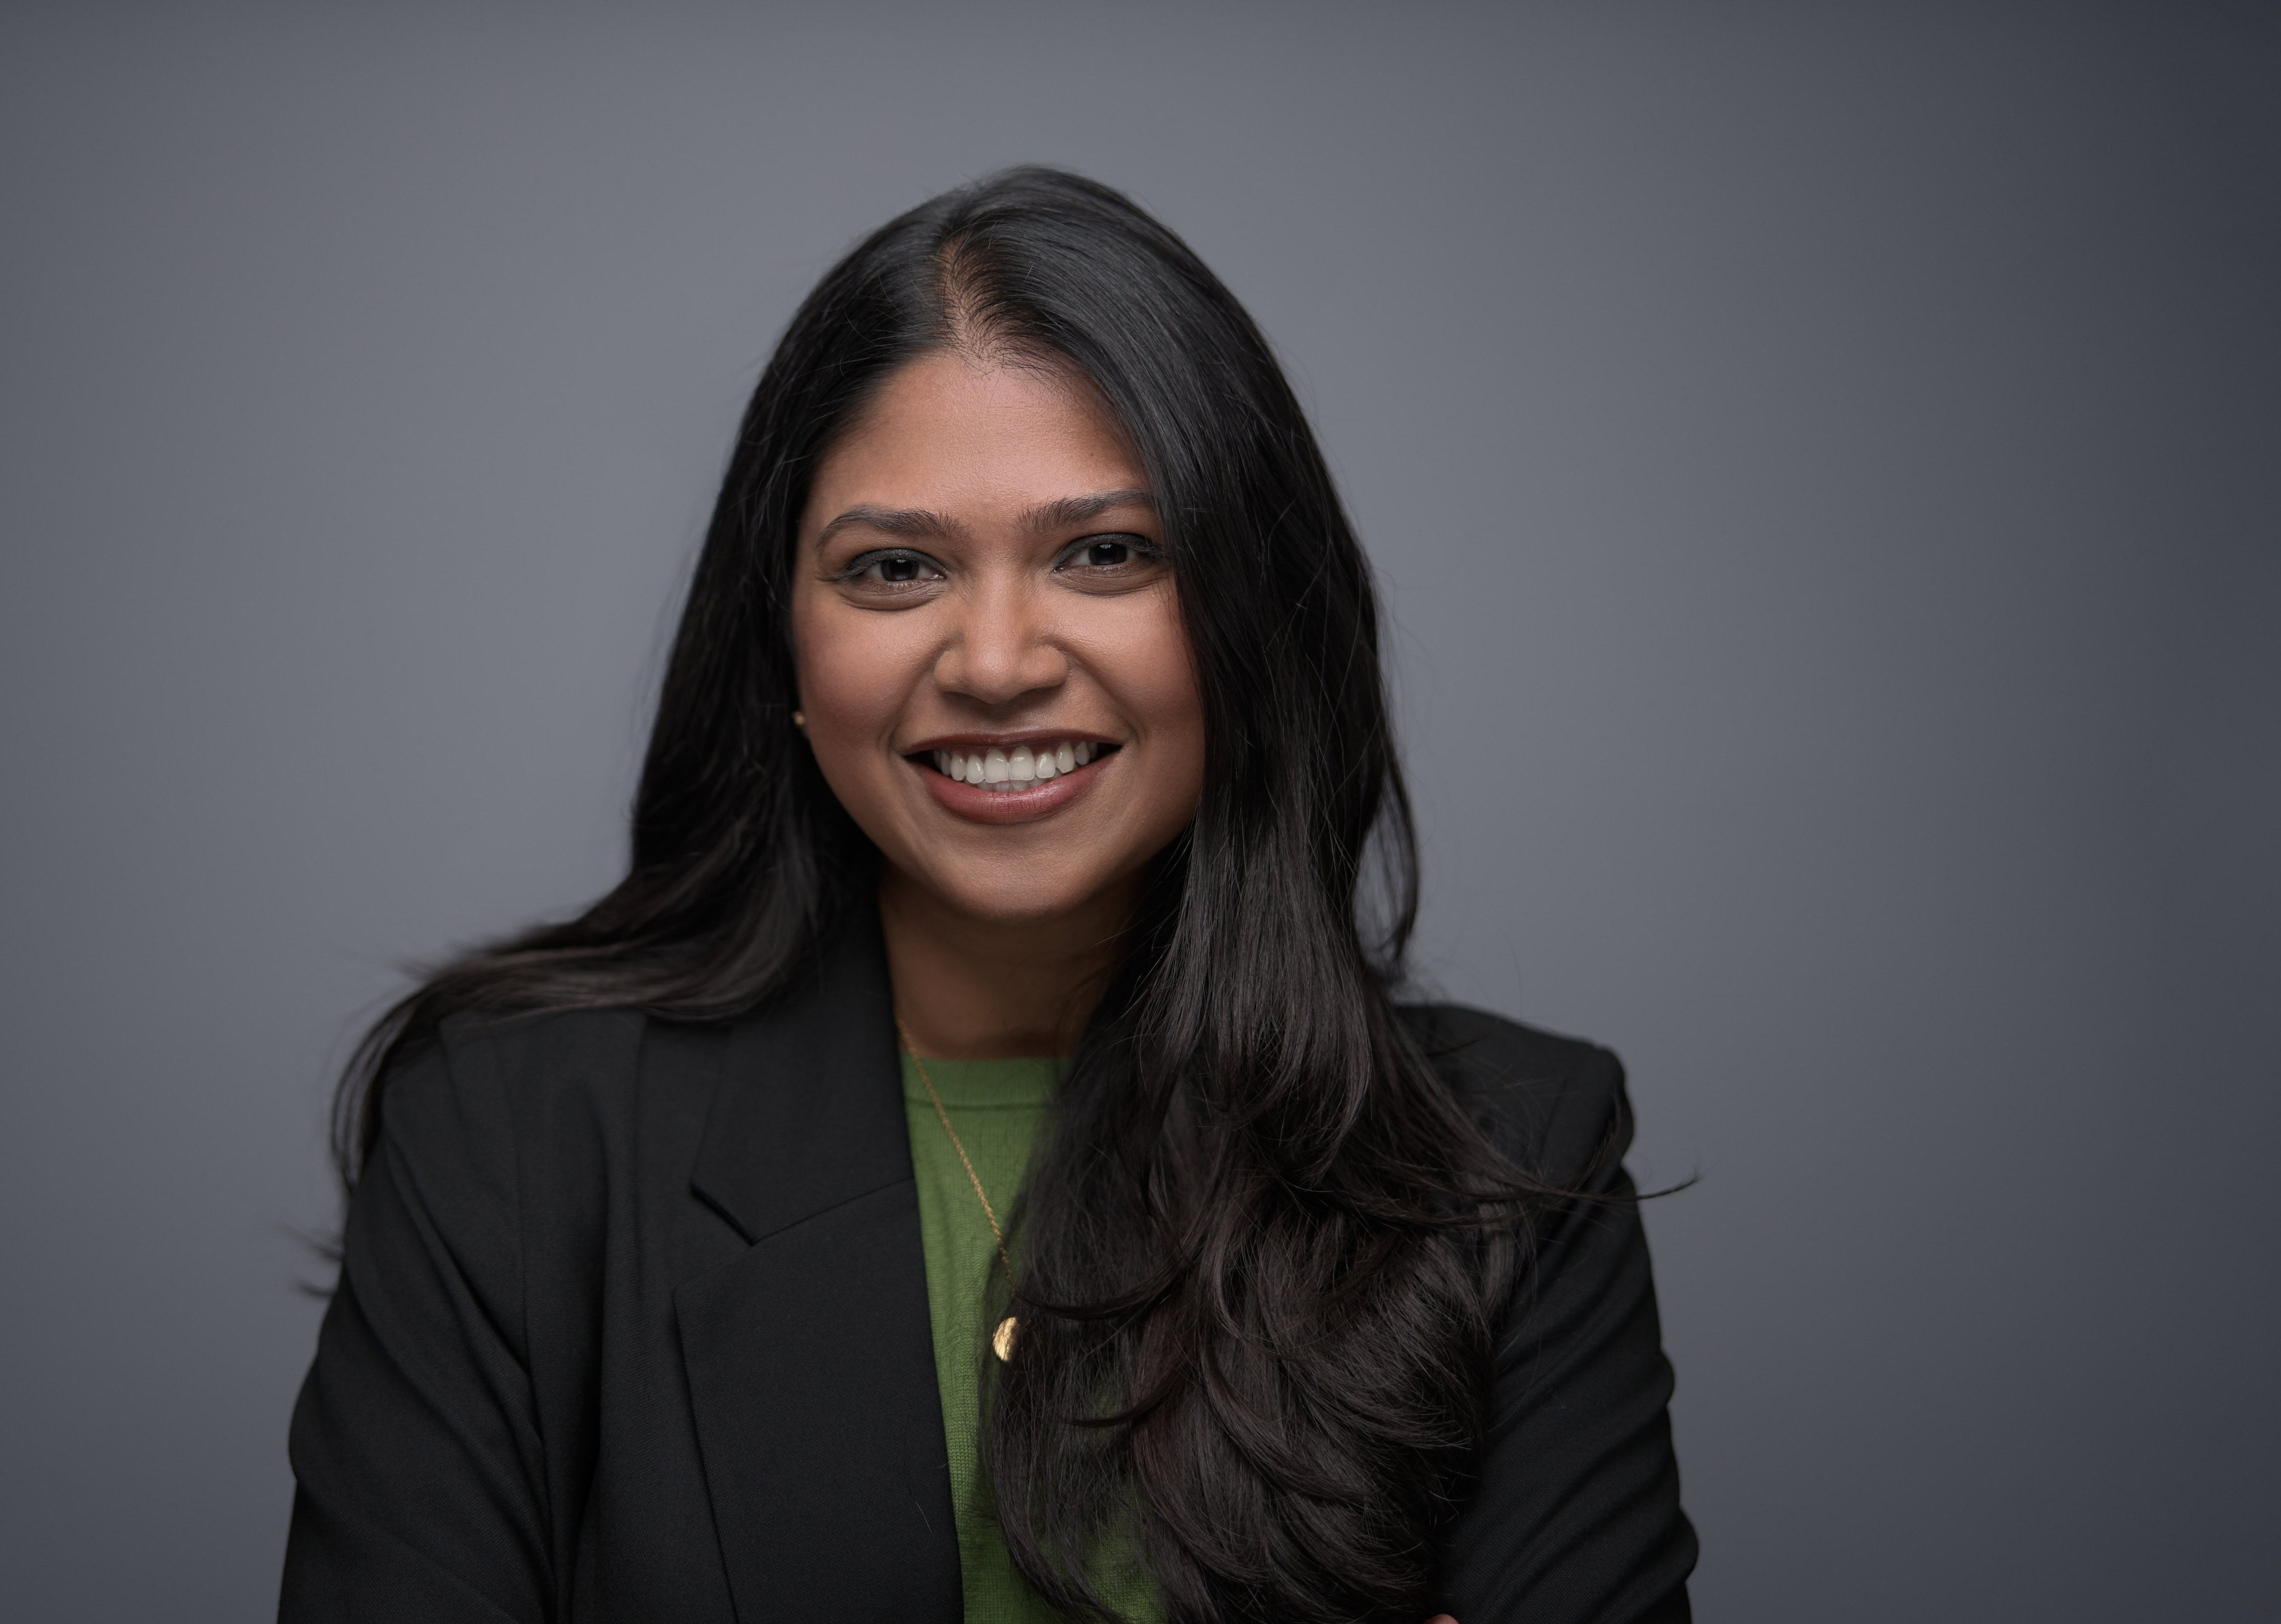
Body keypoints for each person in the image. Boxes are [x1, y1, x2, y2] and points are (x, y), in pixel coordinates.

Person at [279, 167, 1695, 1624]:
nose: (1000, 659)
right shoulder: (512, 1135)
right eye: (896, 567)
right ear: (785, 652)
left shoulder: (1514, 1162)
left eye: (1107, 554)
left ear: (1253, 619)